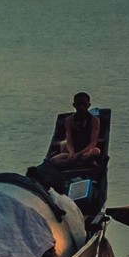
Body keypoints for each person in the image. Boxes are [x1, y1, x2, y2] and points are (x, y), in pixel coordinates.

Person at [36, 91, 110, 226]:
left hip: (87, 151)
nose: (81, 107)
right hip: (73, 152)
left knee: (95, 151)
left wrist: (80, 154)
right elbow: (69, 140)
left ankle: (79, 160)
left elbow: (93, 142)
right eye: (79, 104)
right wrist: (71, 153)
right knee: (53, 161)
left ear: (89, 105)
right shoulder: (69, 120)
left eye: (84, 105)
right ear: (74, 105)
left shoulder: (94, 120)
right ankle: (75, 161)